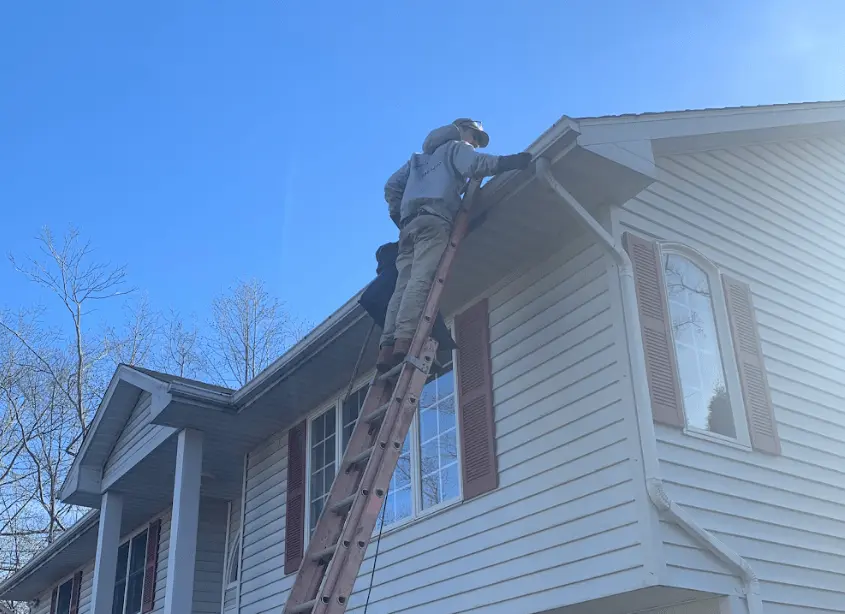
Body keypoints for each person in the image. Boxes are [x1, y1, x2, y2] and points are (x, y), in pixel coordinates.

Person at [377, 118, 533, 371]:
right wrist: (511, 162)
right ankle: (403, 341)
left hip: (409, 226)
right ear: (461, 130)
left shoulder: (417, 160)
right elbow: (476, 165)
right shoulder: (457, 148)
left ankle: (386, 347)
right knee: (421, 279)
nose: (474, 143)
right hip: (435, 219)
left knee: (402, 285)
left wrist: (399, 214)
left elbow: (391, 187)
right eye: (474, 137)